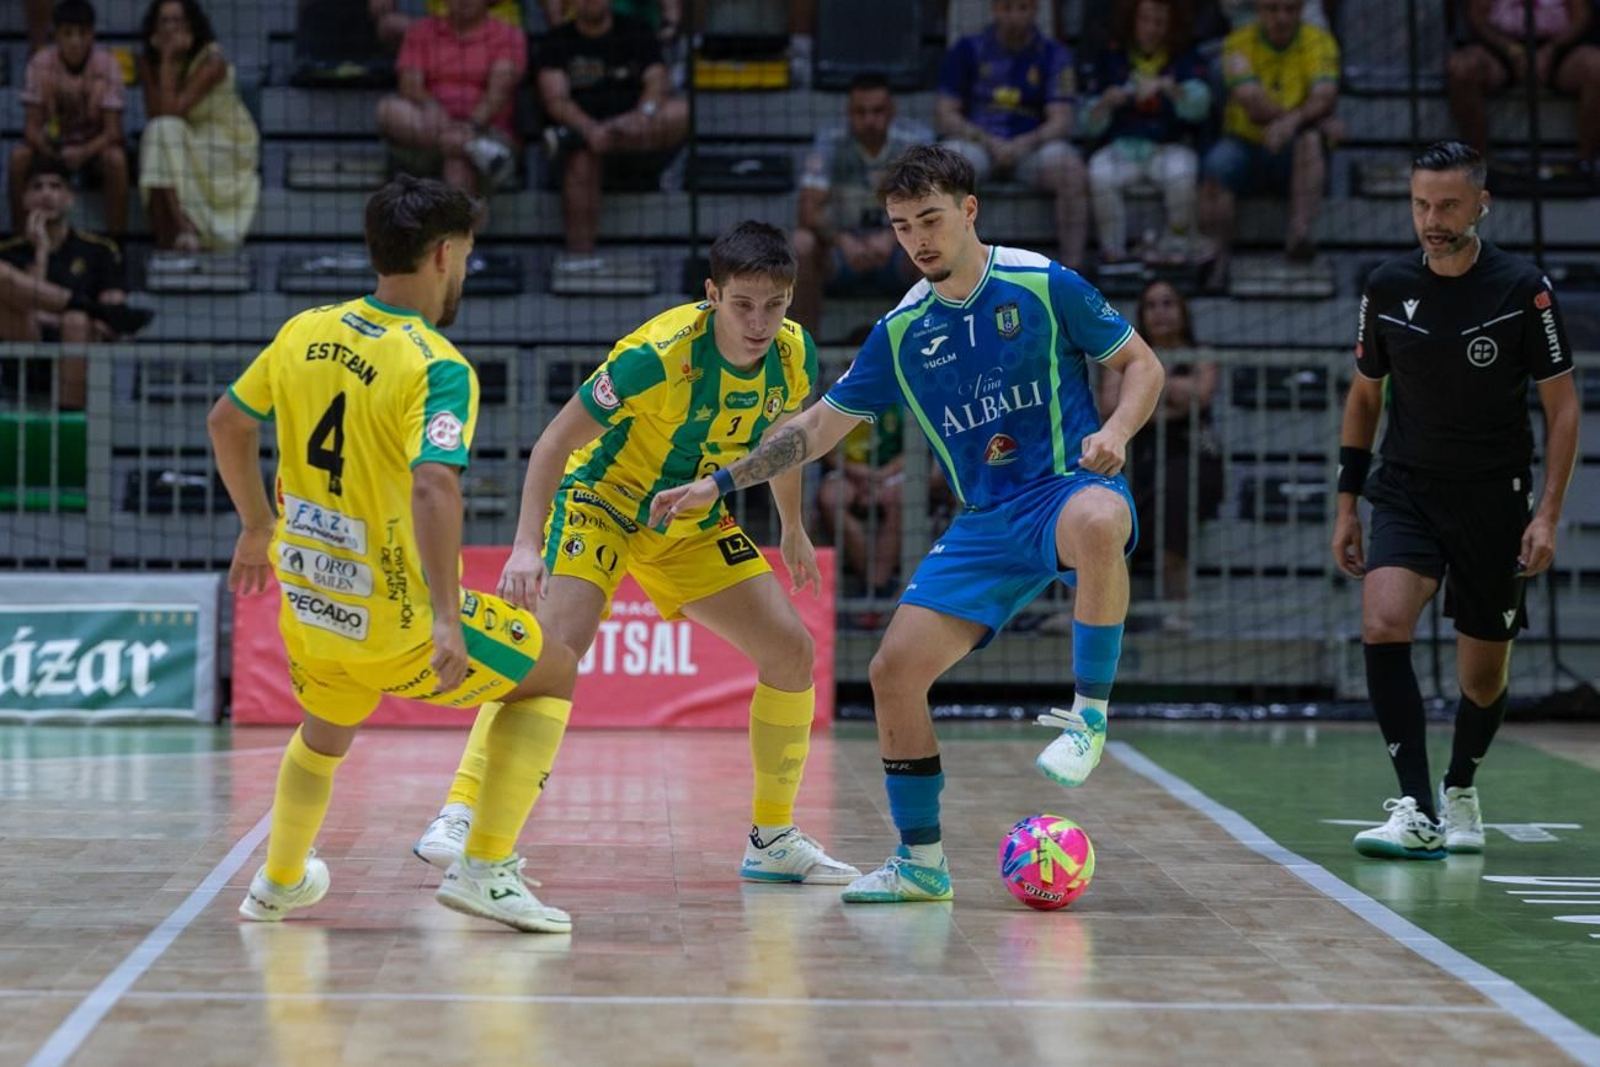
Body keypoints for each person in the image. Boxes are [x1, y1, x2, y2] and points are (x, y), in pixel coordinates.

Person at [650, 145, 1165, 903]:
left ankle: (1088, 716)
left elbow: (1143, 365)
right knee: (893, 672)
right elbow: (816, 428)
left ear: (969, 211)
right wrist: (722, 481)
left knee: (1098, 518)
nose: (918, 238)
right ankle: (921, 862)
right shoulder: (901, 332)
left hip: (1063, 489)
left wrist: (1117, 431)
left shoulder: (1042, 282)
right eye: (900, 226)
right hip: (987, 522)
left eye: (930, 218)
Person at [411, 221, 859, 887]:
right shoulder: (656, 354)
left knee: (792, 652)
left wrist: (791, 524)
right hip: (604, 501)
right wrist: (527, 546)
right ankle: (461, 812)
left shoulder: (793, 352)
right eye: (743, 304)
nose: (760, 321)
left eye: (776, 304)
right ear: (713, 294)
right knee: (550, 657)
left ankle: (772, 837)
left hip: (689, 515)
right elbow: (553, 443)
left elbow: (781, 437)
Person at [208, 176, 580, 932]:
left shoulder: (302, 330)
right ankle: (484, 868)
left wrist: (254, 525)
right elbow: (435, 485)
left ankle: (278, 880)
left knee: (324, 729)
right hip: (394, 616)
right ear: (443, 254)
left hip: (311, 609)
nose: (466, 272)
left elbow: (227, 422)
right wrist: (447, 616)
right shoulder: (437, 364)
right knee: (552, 671)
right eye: (467, 257)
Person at [1332, 141, 1578, 860]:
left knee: (1483, 676)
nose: (1431, 219)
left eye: (1445, 205)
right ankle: (1416, 806)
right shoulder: (1384, 285)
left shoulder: (1523, 289)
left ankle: (1461, 784)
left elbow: (1562, 409)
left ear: (1480, 204)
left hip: (1494, 500)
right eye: (1420, 204)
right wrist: (1349, 502)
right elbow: (1364, 395)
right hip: (1407, 487)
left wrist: (1548, 513)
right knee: (1381, 623)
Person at [1099, 280, 1222, 632]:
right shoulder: (1123, 353)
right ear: (1141, 314)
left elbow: (1201, 396)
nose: (1160, 311)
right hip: (1138, 451)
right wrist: (1170, 396)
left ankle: (1178, 606)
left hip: (1193, 453)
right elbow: (1110, 403)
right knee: (1096, 493)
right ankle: (1094, 607)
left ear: (1183, 311)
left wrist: (1147, 385)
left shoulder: (1203, 352)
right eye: (1151, 304)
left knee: (1176, 491)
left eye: (1169, 302)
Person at [1197, 0, 1341, 289]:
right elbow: (1251, 101)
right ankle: (1217, 256)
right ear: (1260, 11)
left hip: (1291, 152)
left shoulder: (1318, 40)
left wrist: (1291, 125)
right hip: (1244, 143)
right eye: (1273, 9)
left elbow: (1325, 95)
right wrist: (1302, 119)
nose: (1281, 18)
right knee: (1216, 165)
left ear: (1301, 11)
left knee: (1311, 143)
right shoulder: (1239, 42)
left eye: (1289, 10)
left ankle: (1299, 237)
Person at [936, 0, 1090, 271]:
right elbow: (945, 114)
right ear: (995, 9)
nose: (1014, 16)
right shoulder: (967, 49)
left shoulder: (1054, 54)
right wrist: (987, 141)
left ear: (1034, 11)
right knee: (945, 170)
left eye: (1022, 8)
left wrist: (1022, 144)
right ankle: (951, 270)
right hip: (979, 145)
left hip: (1031, 148)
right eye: (1007, 8)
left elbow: (1062, 121)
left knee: (1071, 170)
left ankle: (1072, 274)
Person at [536, 0, 689, 263]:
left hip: (635, 133)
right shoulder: (556, 41)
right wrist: (590, 129)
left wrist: (643, 115)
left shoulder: (636, 29)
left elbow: (657, 80)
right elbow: (556, 100)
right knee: (582, 159)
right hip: (583, 140)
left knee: (681, 110)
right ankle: (581, 261)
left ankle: (617, 141)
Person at [0, 159, 152, 409]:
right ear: (25, 199)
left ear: (70, 197)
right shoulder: (10, 252)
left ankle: (69, 418)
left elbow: (111, 323)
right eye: (37, 187)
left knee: (76, 322)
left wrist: (66, 318)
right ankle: (83, 305)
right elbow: (30, 310)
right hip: (25, 356)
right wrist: (41, 251)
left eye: (56, 186)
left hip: (81, 355)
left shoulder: (99, 250)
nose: (46, 193)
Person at [791, 73, 930, 334]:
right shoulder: (831, 141)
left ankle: (930, 356)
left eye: (877, 111)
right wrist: (843, 240)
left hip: (900, 253)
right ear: (848, 112)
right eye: (860, 112)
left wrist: (893, 237)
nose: (869, 120)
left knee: (937, 240)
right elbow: (807, 212)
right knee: (802, 243)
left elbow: (931, 207)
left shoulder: (914, 142)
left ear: (892, 112)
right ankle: (803, 360)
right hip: (841, 254)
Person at [1083, 0, 1211, 266]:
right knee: (1099, 172)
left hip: (1169, 147)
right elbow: (1087, 121)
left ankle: (1176, 248)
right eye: (1146, 20)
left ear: (1171, 25)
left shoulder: (1184, 55)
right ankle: (1113, 252)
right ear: (1133, 21)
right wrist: (1105, 103)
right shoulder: (1112, 55)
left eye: (1159, 22)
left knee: (1183, 172)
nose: (1152, 29)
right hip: (1122, 148)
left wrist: (1170, 89)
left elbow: (1200, 107)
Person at [136, 0, 261, 250]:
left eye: (178, 20)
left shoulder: (212, 60)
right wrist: (165, 60)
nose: (171, 28)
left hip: (226, 142)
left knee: (163, 133)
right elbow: (155, 114)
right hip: (181, 138)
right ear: (154, 26)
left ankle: (184, 230)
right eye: (165, 21)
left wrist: (169, 59)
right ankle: (177, 237)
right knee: (159, 133)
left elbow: (172, 110)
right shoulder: (149, 61)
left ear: (191, 24)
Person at [376, 0, 528, 200]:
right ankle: (469, 146)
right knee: (388, 110)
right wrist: (433, 108)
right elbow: (409, 84)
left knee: (457, 164)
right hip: (427, 130)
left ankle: (466, 148)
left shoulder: (508, 35)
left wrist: (471, 125)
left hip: (487, 131)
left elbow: (498, 92)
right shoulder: (420, 31)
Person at [10, 0, 129, 240]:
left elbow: (113, 132)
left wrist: (83, 152)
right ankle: (21, 240)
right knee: (18, 157)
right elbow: (31, 128)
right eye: (67, 34)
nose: (75, 41)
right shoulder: (41, 62)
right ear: (56, 34)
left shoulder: (107, 65)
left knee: (116, 159)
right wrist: (51, 150)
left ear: (92, 34)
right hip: (52, 149)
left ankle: (117, 244)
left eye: (82, 34)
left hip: (93, 151)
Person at [1447, 0, 1600, 183]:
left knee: (1596, 67)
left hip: (1560, 48)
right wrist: (1512, 51)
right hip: (1500, 47)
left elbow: (1581, 15)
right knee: (1462, 69)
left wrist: (1552, 50)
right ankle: (1478, 165)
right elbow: (1478, 17)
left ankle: (1585, 163)